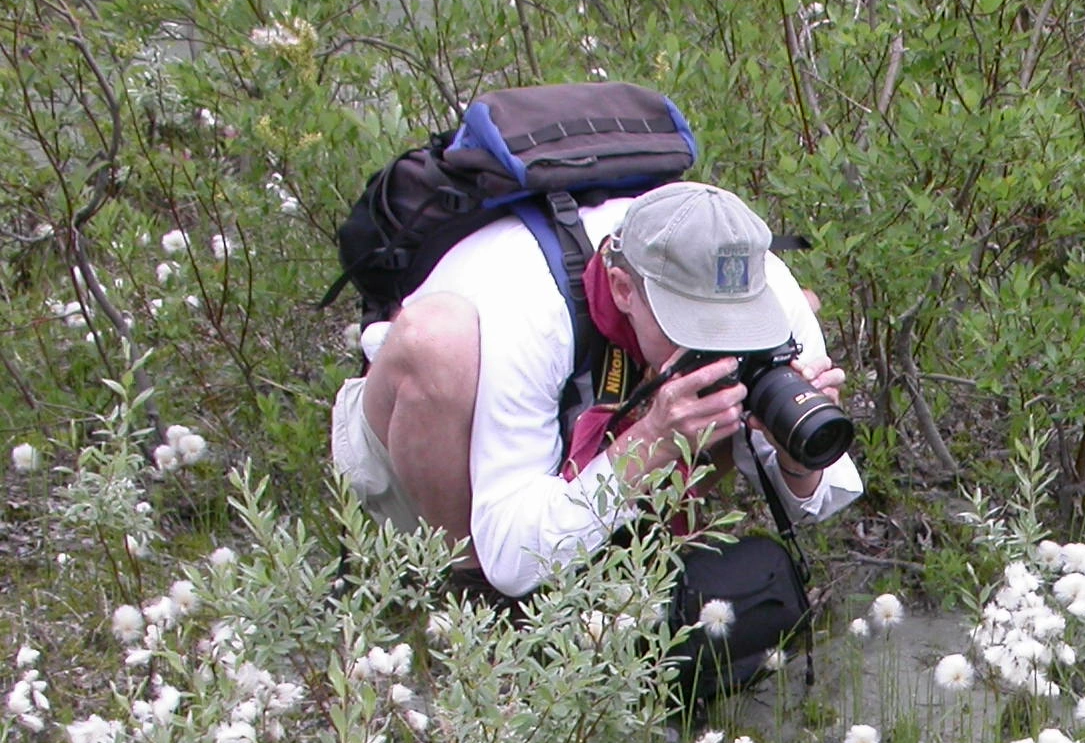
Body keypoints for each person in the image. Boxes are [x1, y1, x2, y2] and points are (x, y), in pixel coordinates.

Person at [329, 181, 861, 598]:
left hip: (586, 436)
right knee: (435, 340)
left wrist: (797, 459)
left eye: (733, 325)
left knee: (728, 382)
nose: (716, 345)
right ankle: (467, 601)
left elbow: (823, 497)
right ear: (624, 288)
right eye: (694, 326)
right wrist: (651, 439)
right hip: (430, 455)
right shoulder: (529, 304)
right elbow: (512, 558)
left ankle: (633, 564)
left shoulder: (761, 284)